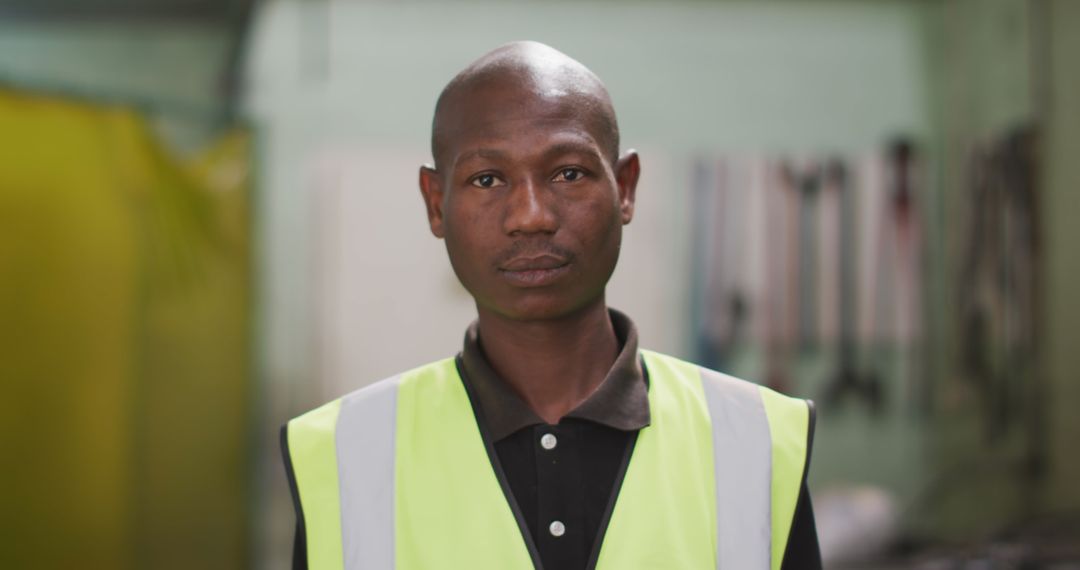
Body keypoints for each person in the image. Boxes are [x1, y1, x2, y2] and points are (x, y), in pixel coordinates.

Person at [282, 41, 821, 570]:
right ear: (436, 202)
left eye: (568, 173)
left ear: (625, 188)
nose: (531, 215)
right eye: (487, 179)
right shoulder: (343, 452)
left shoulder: (757, 438)